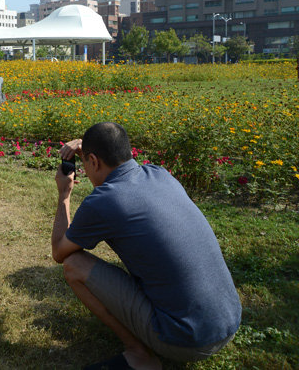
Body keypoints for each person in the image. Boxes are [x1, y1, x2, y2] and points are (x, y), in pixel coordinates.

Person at [52, 122, 241, 370]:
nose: (86, 171)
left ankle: (140, 356)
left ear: (94, 162)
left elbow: (59, 251)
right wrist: (90, 152)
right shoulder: (160, 173)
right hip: (229, 322)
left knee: (74, 265)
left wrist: (64, 195)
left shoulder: (103, 202)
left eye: (87, 165)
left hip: (188, 342)